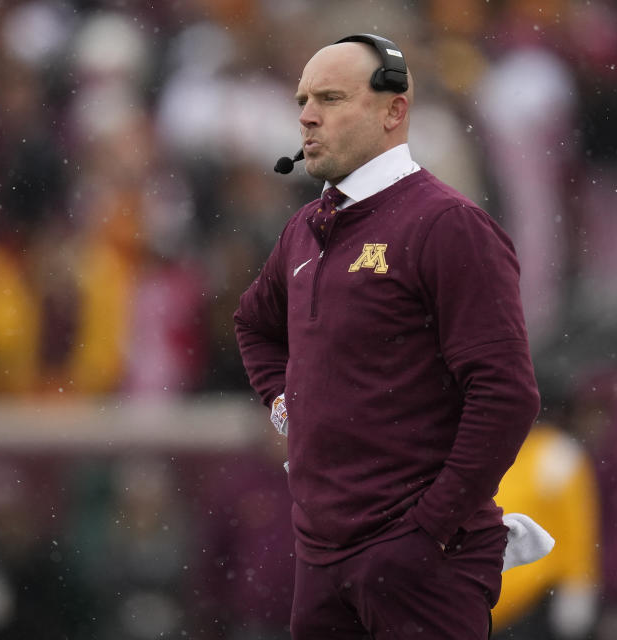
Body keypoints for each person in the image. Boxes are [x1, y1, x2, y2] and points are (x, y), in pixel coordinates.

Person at [234, 34, 541, 639]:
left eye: (329, 97)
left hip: (419, 559)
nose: (306, 115)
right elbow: (254, 324)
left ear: (393, 110)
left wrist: (429, 527)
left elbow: (507, 393)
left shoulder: (447, 224)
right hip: (323, 558)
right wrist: (283, 406)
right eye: (302, 100)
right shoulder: (305, 228)